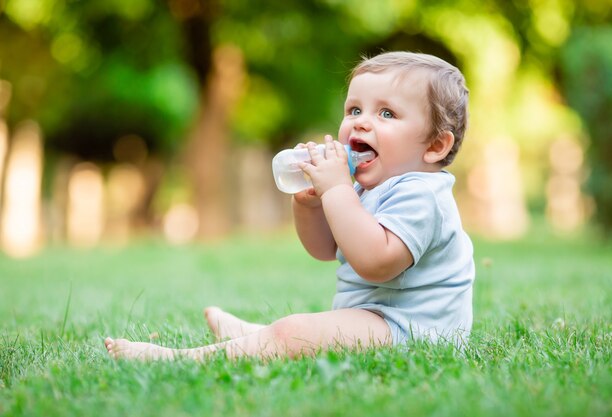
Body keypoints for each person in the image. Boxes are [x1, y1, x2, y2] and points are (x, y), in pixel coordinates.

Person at [104, 51, 475, 361]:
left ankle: (181, 359)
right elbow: (324, 249)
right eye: (354, 110)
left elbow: (375, 261)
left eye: (387, 114)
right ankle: (256, 336)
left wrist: (336, 192)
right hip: (378, 319)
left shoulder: (422, 195)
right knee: (295, 333)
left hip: (416, 331)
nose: (360, 124)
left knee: (295, 331)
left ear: (435, 146)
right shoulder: (364, 186)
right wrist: (310, 204)